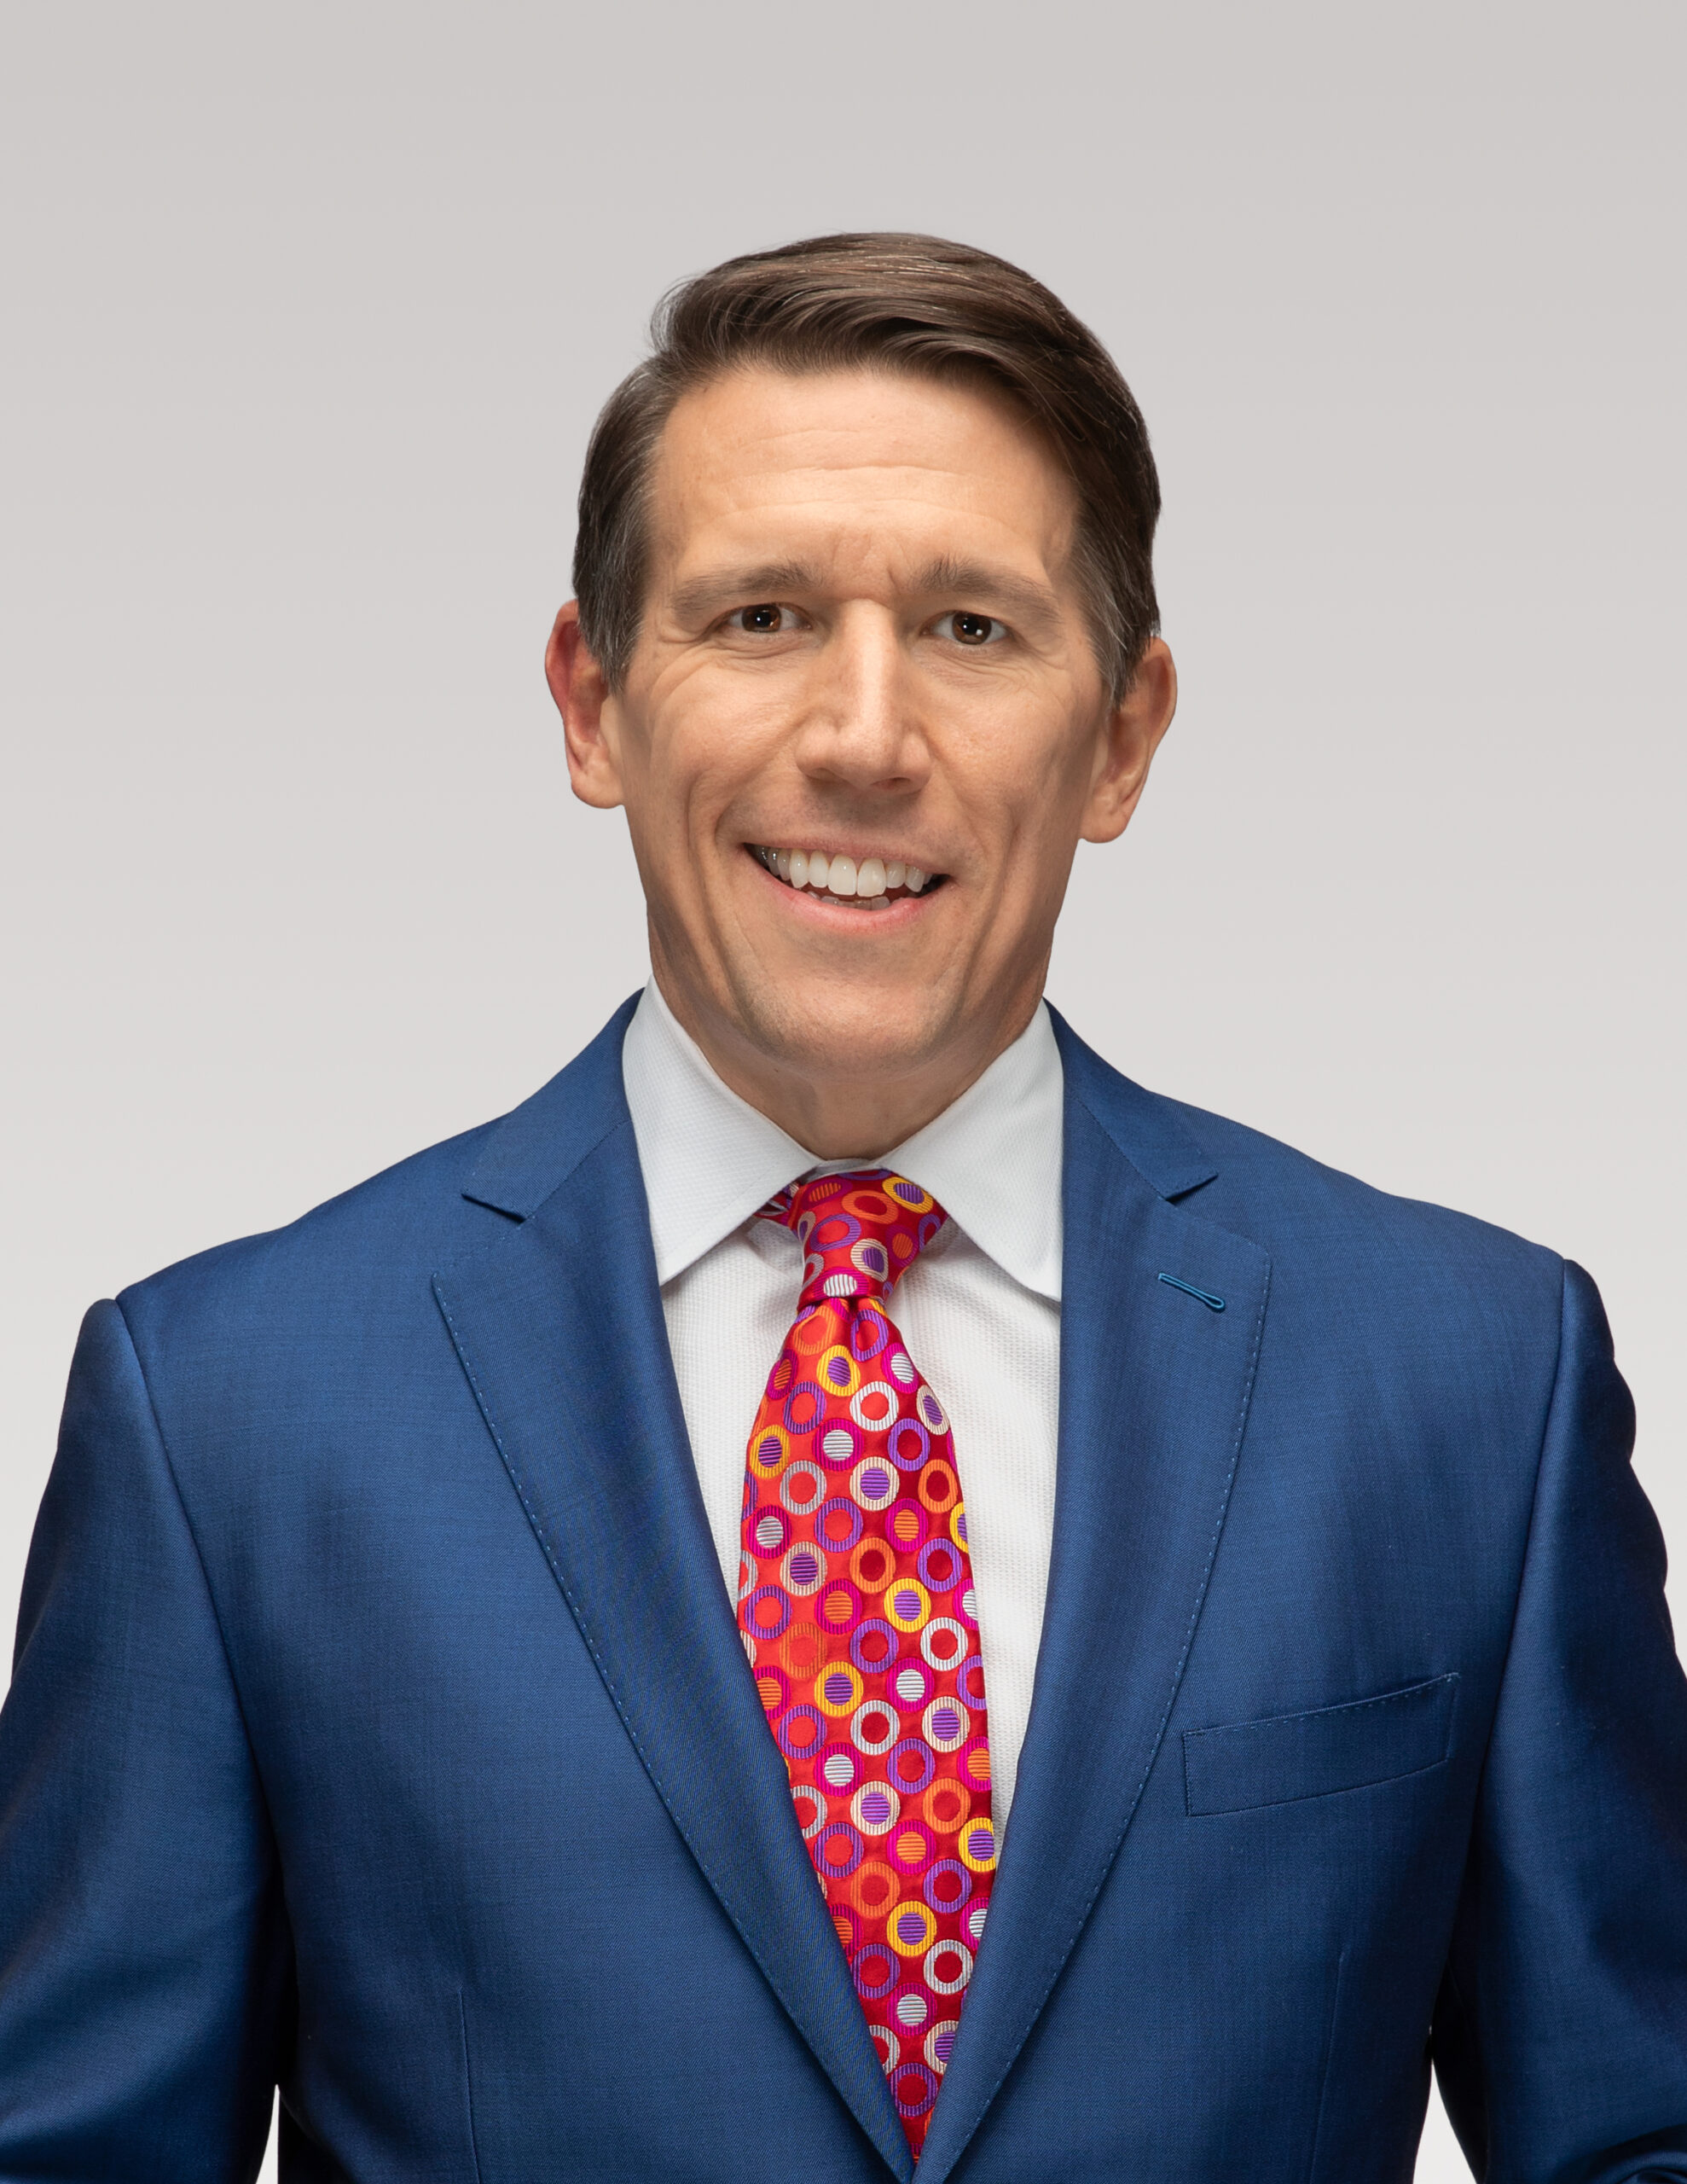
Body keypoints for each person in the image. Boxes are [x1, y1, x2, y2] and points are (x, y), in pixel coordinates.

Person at [1, 231, 1683, 2184]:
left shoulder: (1468, 1381)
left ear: (1120, 732)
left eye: (969, 625)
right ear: (591, 702)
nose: (863, 737)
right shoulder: (224, 1413)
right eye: (761, 615)